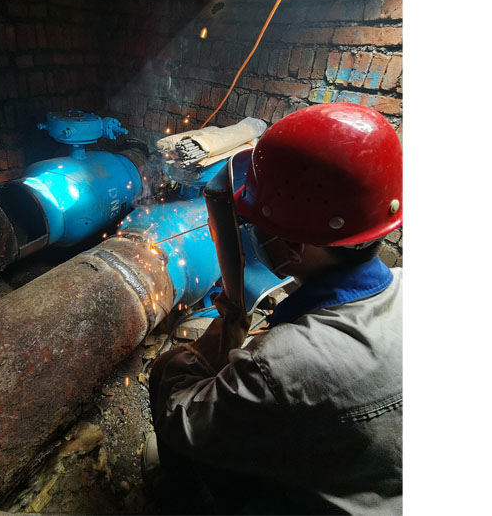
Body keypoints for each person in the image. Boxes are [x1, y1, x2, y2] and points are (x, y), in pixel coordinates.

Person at [147, 102, 403, 514]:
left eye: (259, 226)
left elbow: (182, 418)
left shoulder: (286, 362)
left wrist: (209, 346)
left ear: (293, 247)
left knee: (167, 373)